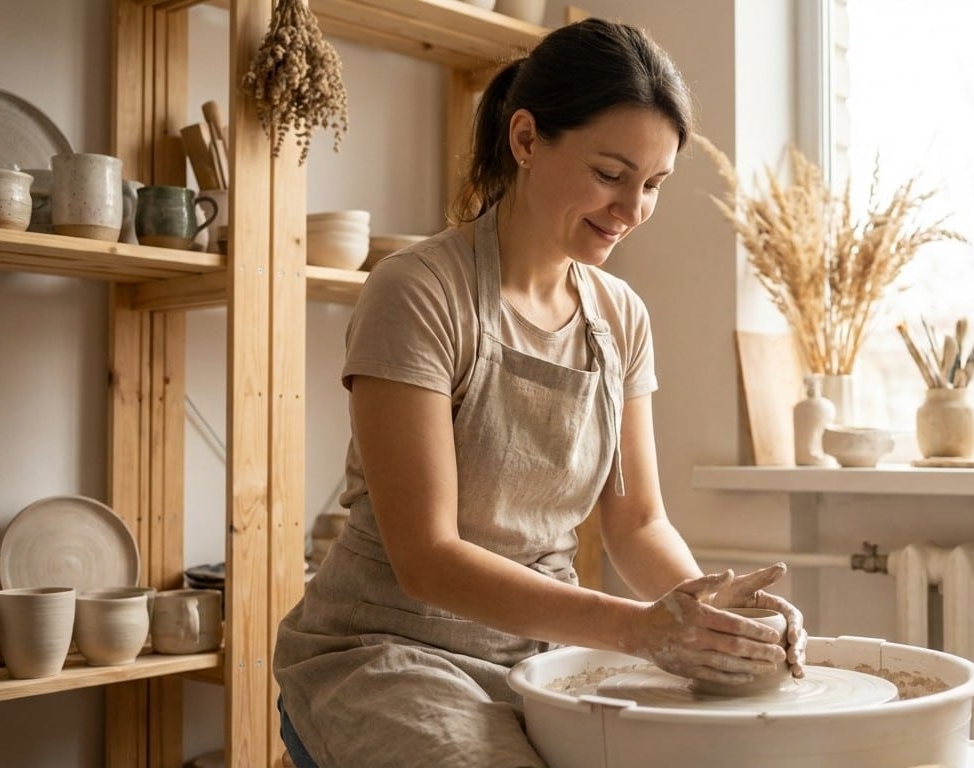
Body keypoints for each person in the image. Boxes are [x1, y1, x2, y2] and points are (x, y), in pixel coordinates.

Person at [272, 17, 807, 768]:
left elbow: (638, 522)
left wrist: (709, 615)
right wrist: (638, 629)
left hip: (548, 652)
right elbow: (427, 557)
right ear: (525, 140)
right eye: (609, 174)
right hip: (390, 649)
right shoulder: (419, 292)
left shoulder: (619, 316)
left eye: (652, 185)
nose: (631, 211)